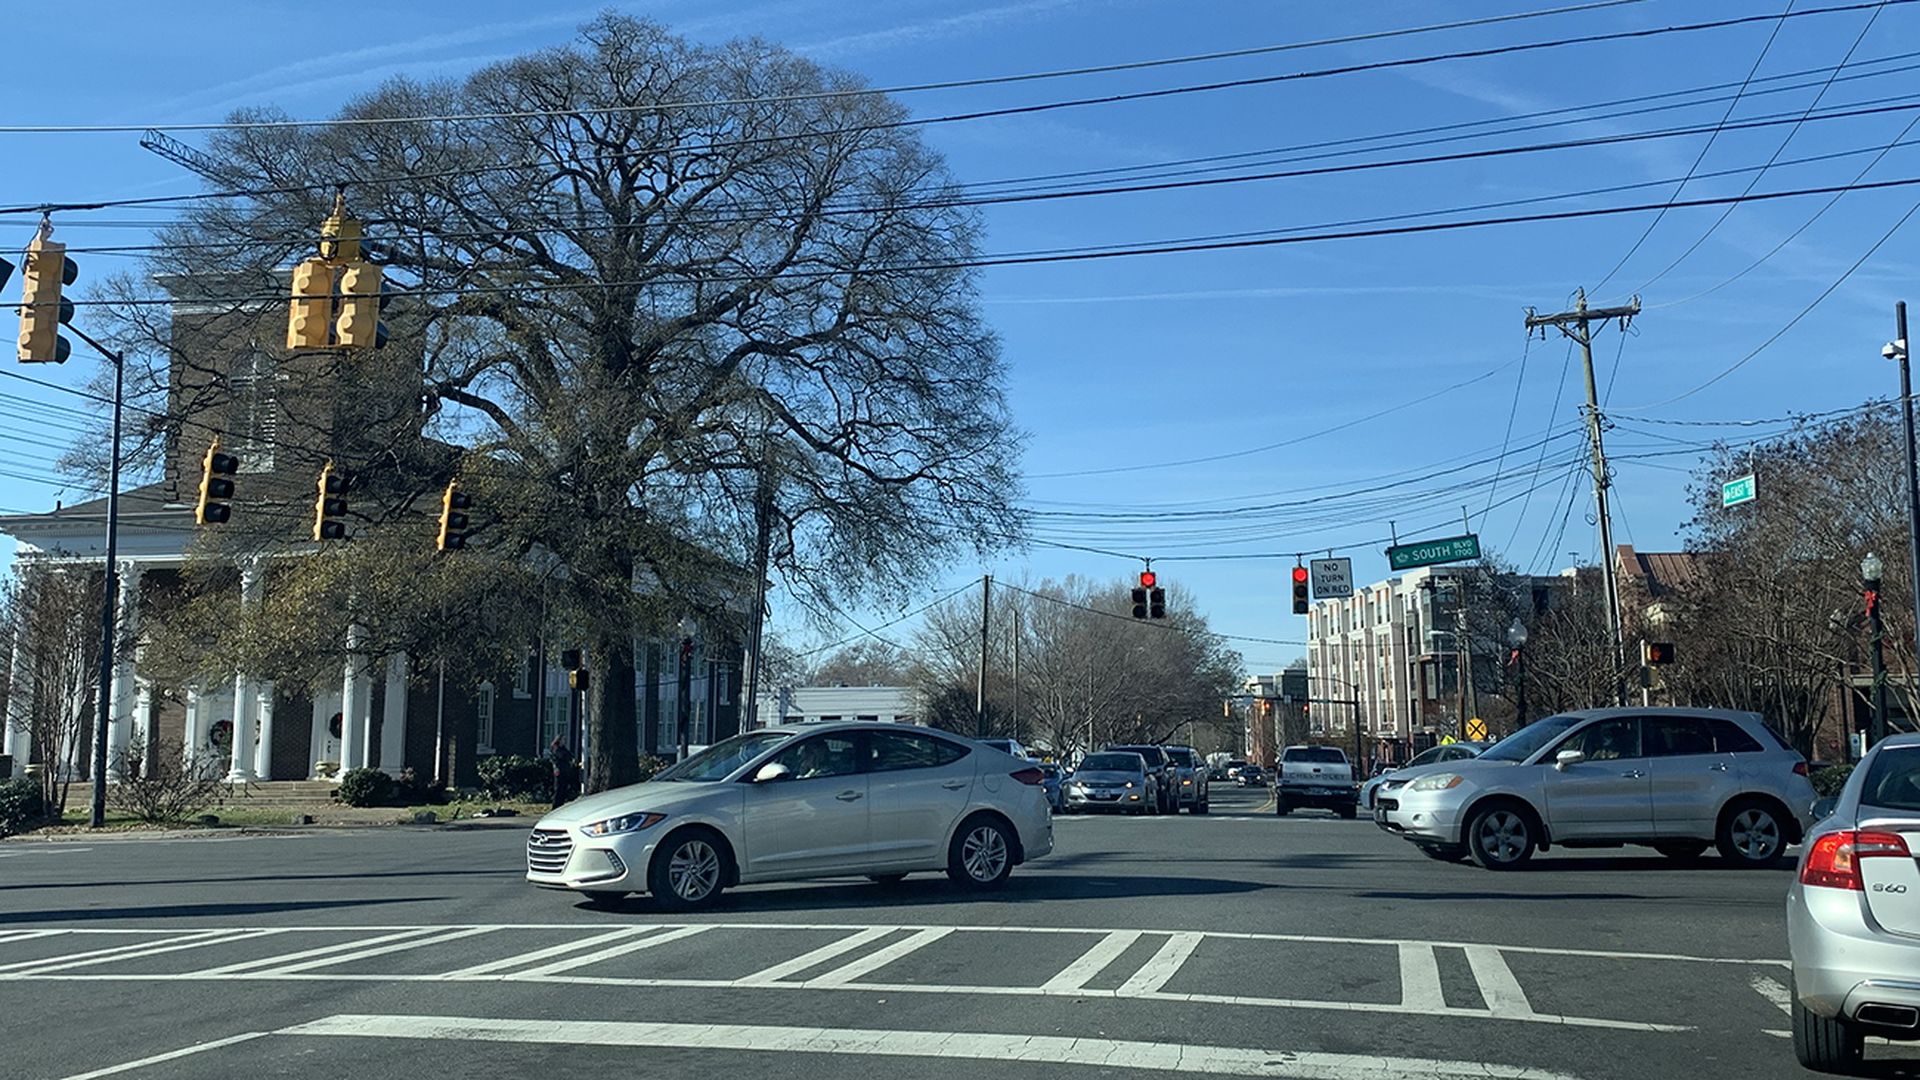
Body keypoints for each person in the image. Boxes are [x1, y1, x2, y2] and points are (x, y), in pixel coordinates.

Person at [548, 737, 579, 808]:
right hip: (559, 772)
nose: (564, 741)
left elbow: (570, 756)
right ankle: (555, 805)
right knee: (559, 789)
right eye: (562, 740)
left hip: (565, 772)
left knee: (563, 789)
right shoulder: (556, 749)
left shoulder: (564, 749)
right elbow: (557, 758)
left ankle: (561, 804)